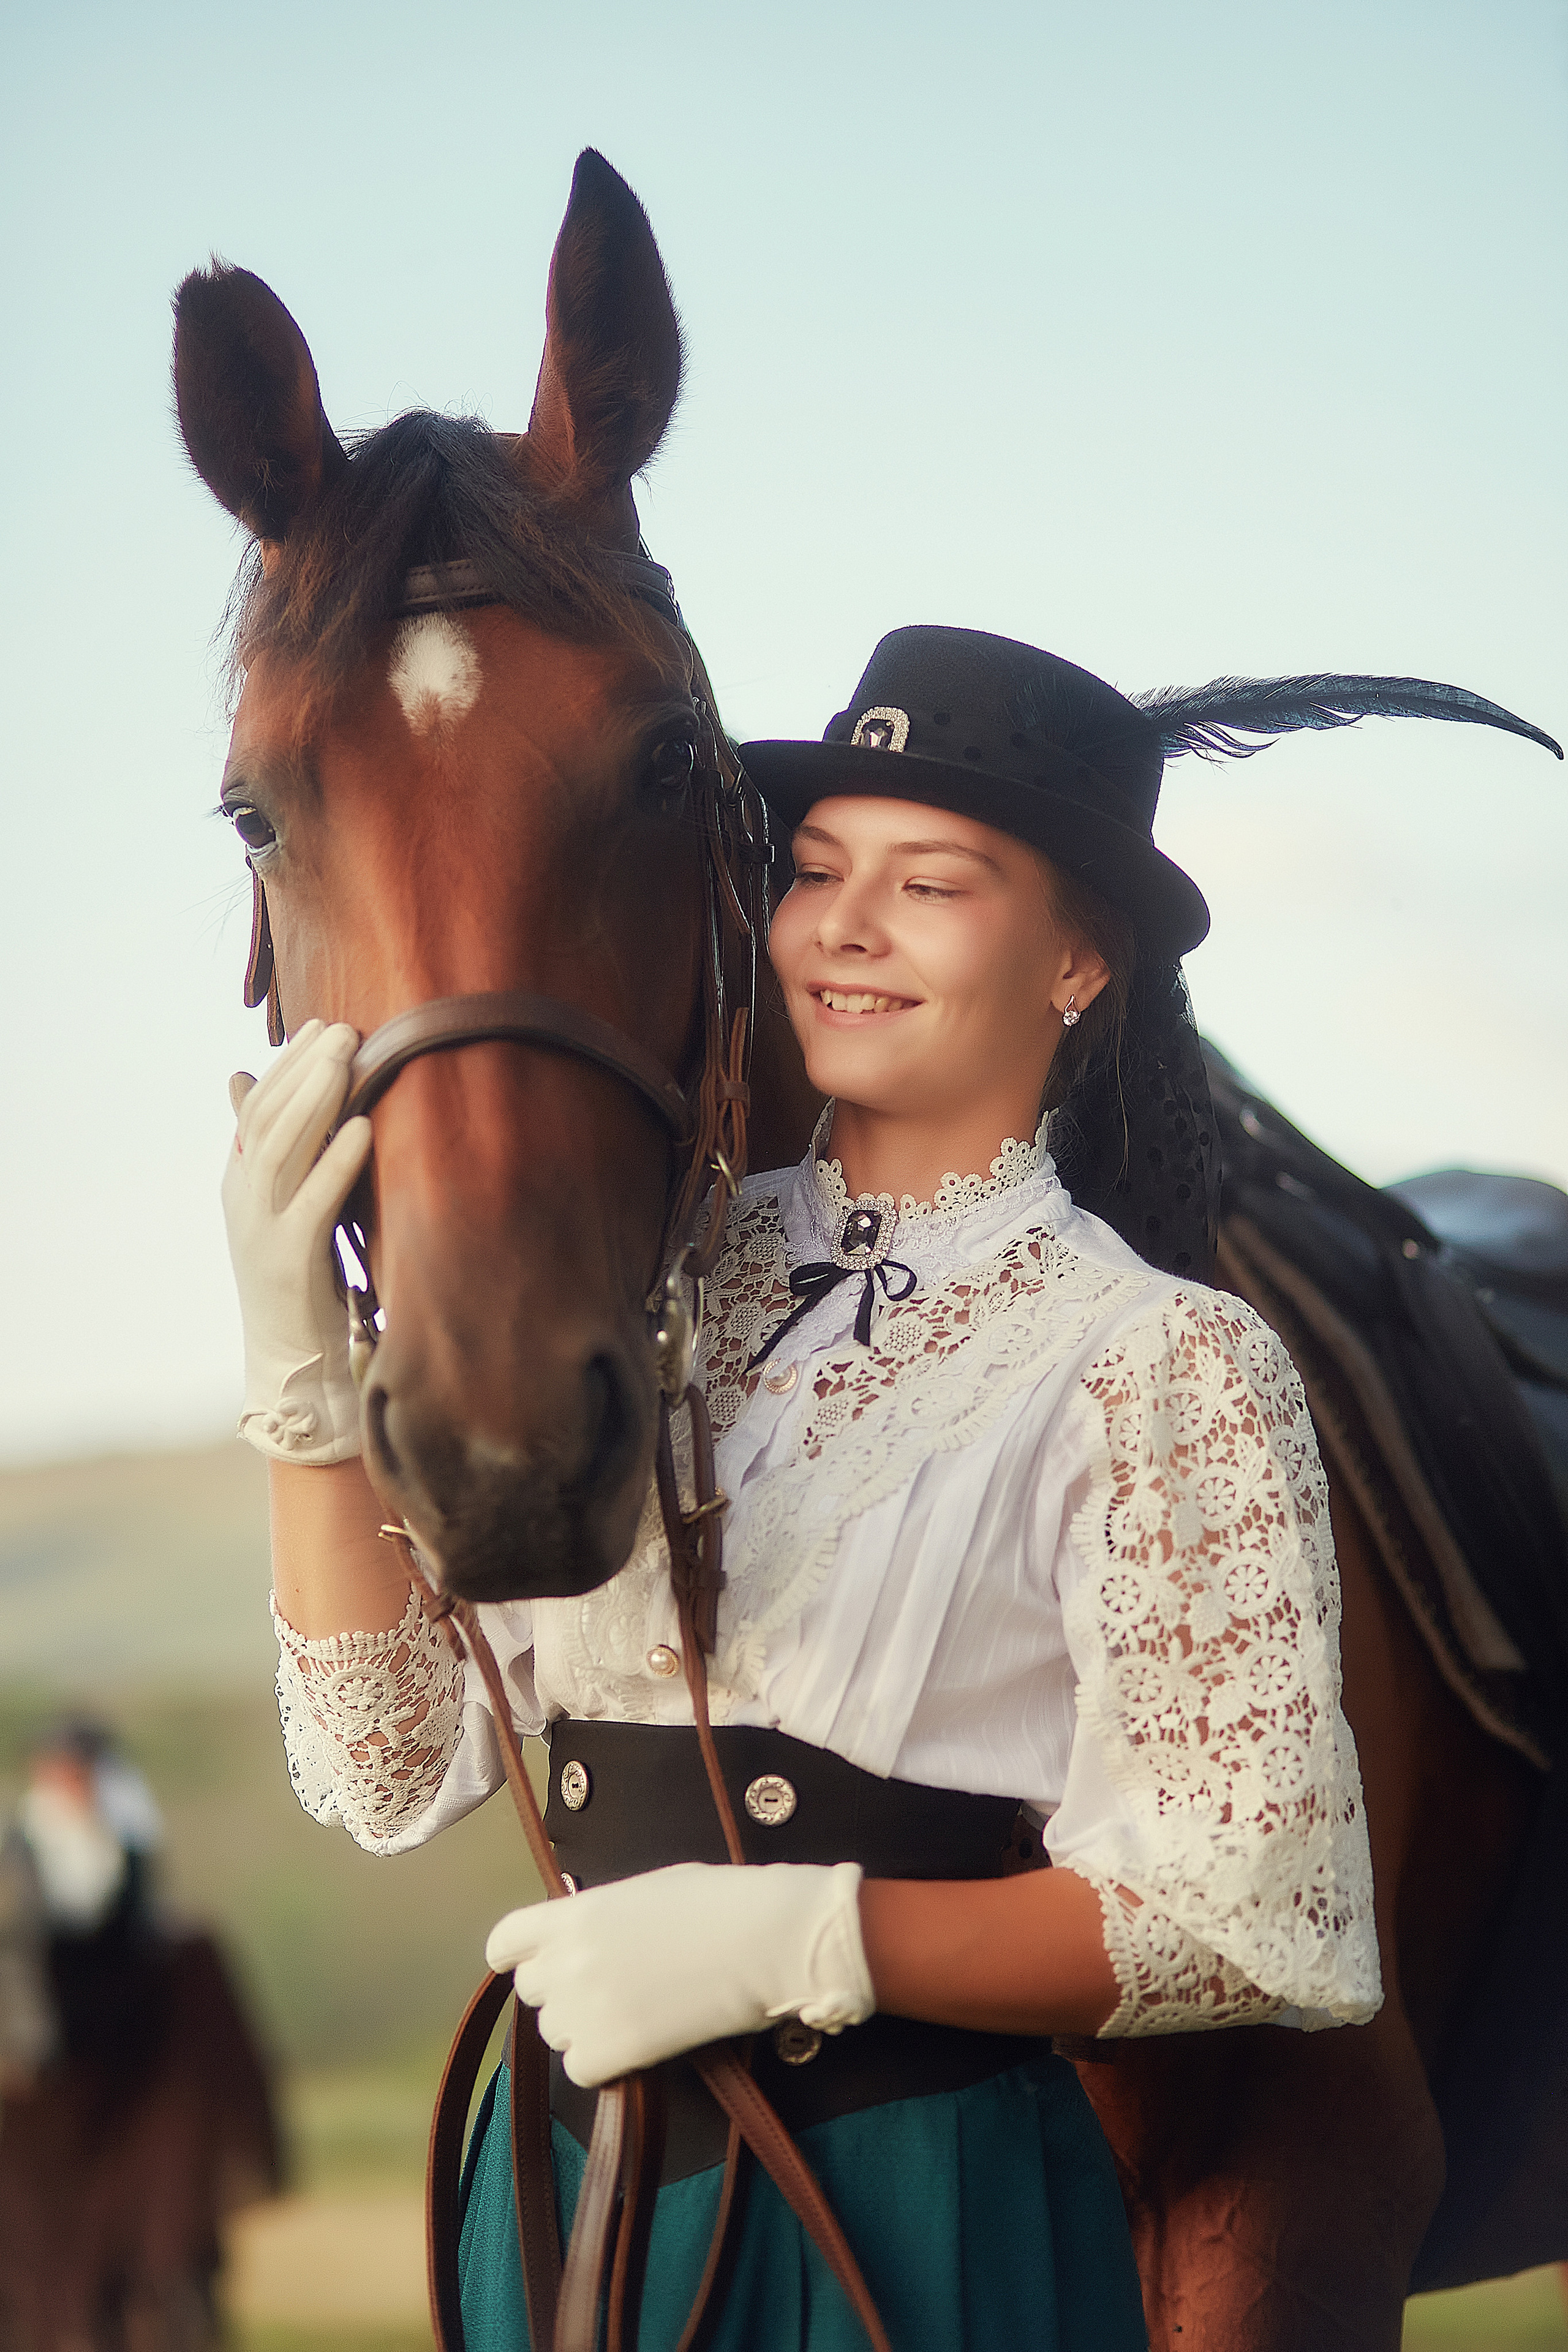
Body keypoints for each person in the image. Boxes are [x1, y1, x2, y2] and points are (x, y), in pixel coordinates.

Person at [224, 625, 1555, 2350]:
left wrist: (810, 1941)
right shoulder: (637, 1315)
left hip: (925, 2212)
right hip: (561, 2203)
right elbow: (392, 1768)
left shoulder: (1158, 1357)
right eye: (820, 870)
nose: (846, 926)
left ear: (1080, 959)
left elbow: (1257, 1921)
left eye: (930, 883)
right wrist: (303, 1383)